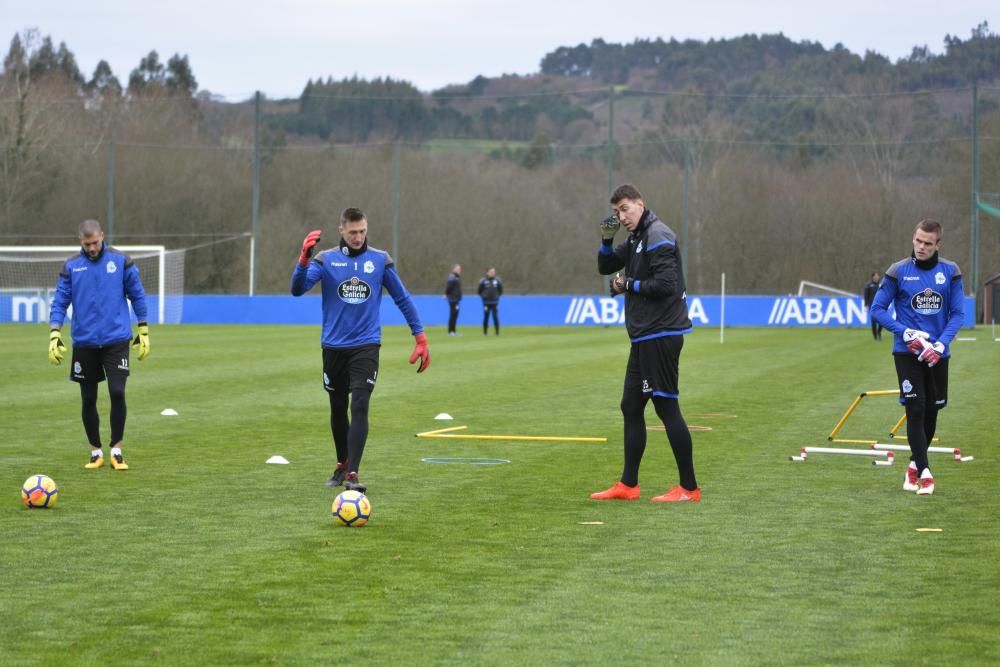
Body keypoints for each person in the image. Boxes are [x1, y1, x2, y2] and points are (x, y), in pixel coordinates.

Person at [291, 207, 430, 493]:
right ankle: (342, 464)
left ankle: (353, 473)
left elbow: (402, 298)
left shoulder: (380, 261)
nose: (358, 237)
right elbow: (298, 288)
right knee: (338, 407)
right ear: (342, 230)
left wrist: (420, 337)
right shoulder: (326, 259)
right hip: (333, 346)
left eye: (363, 231)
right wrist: (303, 260)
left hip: (366, 345)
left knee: (361, 404)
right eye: (353, 232)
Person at [591, 184, 700, 503]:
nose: (620, 216)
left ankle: (689, 489)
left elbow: (667, 285)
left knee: (666, 407)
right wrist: (606, 240)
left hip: (661, 334)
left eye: (625, 209)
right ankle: (628, 485)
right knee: (631, 406)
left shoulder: (658, 235)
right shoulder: (637, 238)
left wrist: (629, 284)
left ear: (640, 204)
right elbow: (605, 266)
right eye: (615, 212)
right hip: (643, 336)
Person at [870, 219, 964, 496]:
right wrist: (905, 333)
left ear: (938, 245)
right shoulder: (898, 271)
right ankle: (925, 472)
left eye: (927, 243)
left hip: (937, 354)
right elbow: (878, 309)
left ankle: (913, 464)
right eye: (918, 241)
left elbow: (958, 314)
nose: (921, 247)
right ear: (913, 239)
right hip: (906, 353)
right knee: (915, 409)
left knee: (933, 410)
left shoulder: (951, 271)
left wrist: (940, 344)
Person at [48, 219, 150, 471]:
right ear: (80, 242)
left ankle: (116, 450)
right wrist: (54, 333)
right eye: (87, 244)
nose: (92, 248)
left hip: (116, 340)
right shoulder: (71, 266)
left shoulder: (121, 261)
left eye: (95, 242)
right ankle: (96, 451)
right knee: (88, 398)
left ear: (102, 236)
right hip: (84, 342)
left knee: (117, 392)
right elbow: (60, 302)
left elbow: (137, 294)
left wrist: (144, 329)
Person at [478, 267, 503, 335]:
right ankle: (485, 332)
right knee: (486, 317)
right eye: (491, 272)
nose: (492, 273)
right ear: (487, 273)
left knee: (495, 317)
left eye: (493, 272)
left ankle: (497, 332)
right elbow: (479, 291)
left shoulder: (497, 281)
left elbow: (500, 291)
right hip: (486, 302)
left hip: (495, 302)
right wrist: (483, 296)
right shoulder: (483, 281)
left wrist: (497, 296)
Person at [863, 271, 883, 341]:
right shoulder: (868, 285)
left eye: (878, 276)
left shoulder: (881, 284)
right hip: (872, 306)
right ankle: (875, 337)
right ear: (872, 277)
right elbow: (866, 296)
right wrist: (865, 305)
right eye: (875, 276)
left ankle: (879, 332)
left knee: (881, 321)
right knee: (873, 322)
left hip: (881, 305)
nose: (877, 277)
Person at [445, 264, 462, 335]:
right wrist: (446, 294)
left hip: (456, 299)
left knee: (455, 315)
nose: (459, 270)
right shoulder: (452, 277)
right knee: (453, 314)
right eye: (457, 269)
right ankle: (450, 331)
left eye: (459, 269)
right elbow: (449, 287)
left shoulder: (457, 277)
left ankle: (454, 331)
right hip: (452, 299)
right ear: (453, 269)